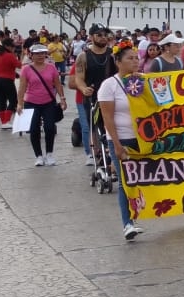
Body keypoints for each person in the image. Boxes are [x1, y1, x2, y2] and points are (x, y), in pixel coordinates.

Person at [98, 40, 146, 240]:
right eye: (130, 58)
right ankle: (127, 223)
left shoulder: (145, 80)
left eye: (137, 58)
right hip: (123, 139)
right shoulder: (109, 85)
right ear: (118, 61)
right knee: (126, 182)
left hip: (144, 139)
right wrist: (116, 144)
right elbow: (108, 118)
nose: (135, 61)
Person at [16, 44, 68, 166]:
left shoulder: (51, 68)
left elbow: (57, 84)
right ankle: (38, 156)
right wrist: (19, 103)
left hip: (48, 102)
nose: (40, 56)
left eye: (42, 53)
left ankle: (49, 153)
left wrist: (62, 98)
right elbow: (22, 87)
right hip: (31, 102)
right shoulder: (26, 69)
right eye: (37, 54)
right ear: (31, 55)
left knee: (50, 128)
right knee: (34, 129)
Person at [73, 26, 117, 167]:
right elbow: (79, 78)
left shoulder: (113, 54)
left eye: (105, 34)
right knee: (95, 126)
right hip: (92, 97)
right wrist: (83, 88)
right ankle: (97, 153)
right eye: (99, 35)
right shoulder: (83, 56)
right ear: (91, 36)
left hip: (112, 96)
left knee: (112, 125)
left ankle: (113, 152)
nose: (103, 37)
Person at [0, 40, 21, 129]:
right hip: (7, 81)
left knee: (1, 100)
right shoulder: (9, 55)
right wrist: (19, 57)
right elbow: (19, 65)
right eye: (13, 47)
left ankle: (3, 122)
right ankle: (7, 121)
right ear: (8, 46)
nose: (14, 48)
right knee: (13, 100)